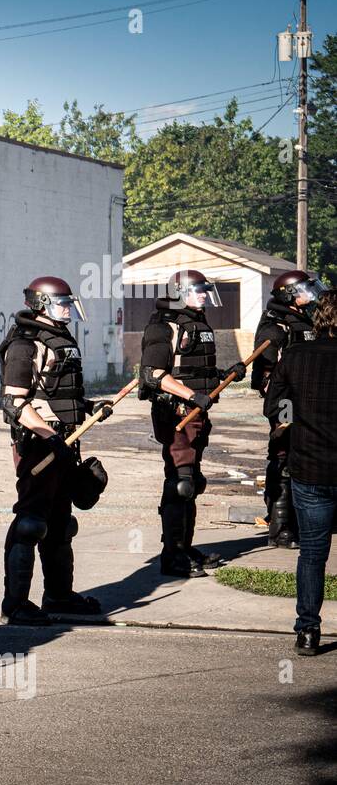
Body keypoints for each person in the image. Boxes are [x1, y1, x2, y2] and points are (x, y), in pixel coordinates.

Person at [0, 276, 110, 625]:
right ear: (42, 304)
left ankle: (58, 596)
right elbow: (15, 402)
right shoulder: (24, 343)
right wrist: (49, 436)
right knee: (31, 522)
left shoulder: (61, 338)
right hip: (39, 445)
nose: (67, 308)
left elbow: (58, 393)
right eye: (61, 302)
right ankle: (15, 605)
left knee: (61, 523)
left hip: (65, 443)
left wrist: (89, 407)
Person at [138, 270, 242, 578]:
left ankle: (185, 547)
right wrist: (191, 395)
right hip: (176, 415)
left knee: (192, 482)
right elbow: (153, 374)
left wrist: (223, 375)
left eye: (205, 290)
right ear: (179, 291)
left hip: (196, 413)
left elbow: (192, 369)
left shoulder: (197, 322)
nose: (205, 295)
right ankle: (172, 556)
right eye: (198, 290)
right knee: (180, 483)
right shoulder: (163, 327)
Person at [264, 289, 337, 656]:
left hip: (309, 467)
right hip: (317, 468)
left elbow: (275, 407)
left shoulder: (295, 356)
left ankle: (307, 631)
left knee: (312, 554)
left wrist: (293, 423)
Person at [252, 270, 325, 548]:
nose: (311, 293)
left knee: (305, 457)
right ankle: (280, 527)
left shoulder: (306, 319)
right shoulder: (276, 325)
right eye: (305, 288)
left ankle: (302, 520)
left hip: (307, 401)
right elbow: (266, 374)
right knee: (284, 456)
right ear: (290, 295)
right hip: (285, 401)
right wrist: (284, 408)